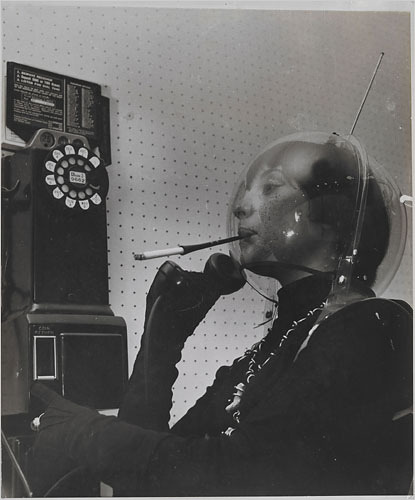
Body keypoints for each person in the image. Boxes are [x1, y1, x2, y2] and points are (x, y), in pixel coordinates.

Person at [30, 132, 412, 497]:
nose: (240, 205)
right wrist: (160, 343)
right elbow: (153, 482)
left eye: (270, 187)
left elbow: (236, 475)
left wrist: (82, 432)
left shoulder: (373, 325)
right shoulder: (275, 345)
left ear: (331, 217)